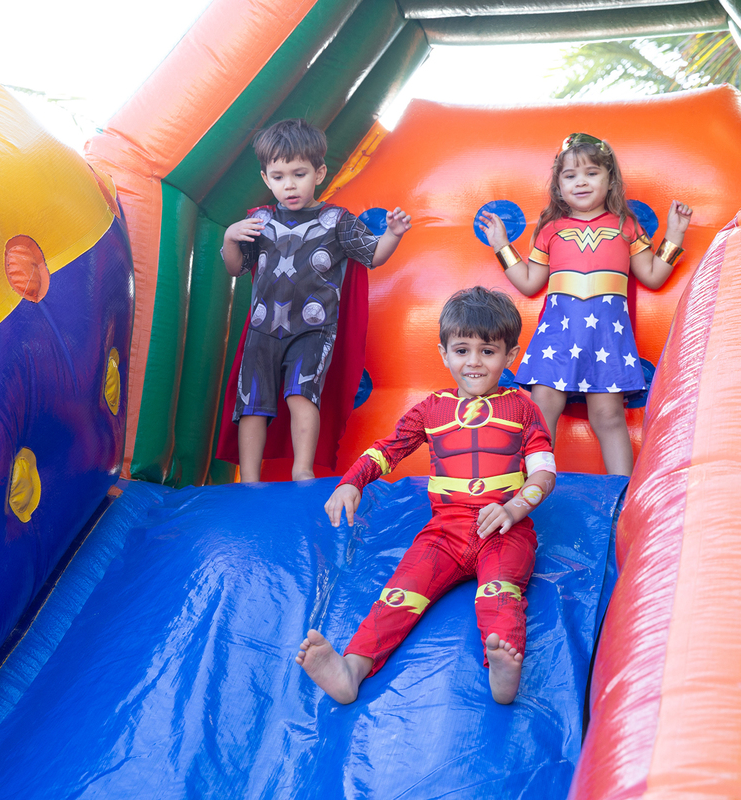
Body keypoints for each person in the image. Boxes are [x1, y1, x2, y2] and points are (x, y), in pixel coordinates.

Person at [296, 287, 557, 705]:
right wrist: (351, 481)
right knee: (400, 594)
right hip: (445, 533)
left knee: (500, 592)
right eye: (462, 350)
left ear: (510, 356)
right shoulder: (431, 410)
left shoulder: (522, 408)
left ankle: (504, 670)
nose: (474, 362)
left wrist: (513, 508)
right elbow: (388, 449)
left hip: (506, 529)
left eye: (488, 351)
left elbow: (544, 473)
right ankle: (352, 668)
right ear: (443, 353)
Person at [478, 132, 693, 476]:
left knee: (608, 416)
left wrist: (675, 235)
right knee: (542, 407)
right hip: (557, 338)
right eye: (570, 175)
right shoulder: (550, 229)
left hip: (606, 339)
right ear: (558, 186)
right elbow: (530, 283)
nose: (581, 182)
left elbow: (652, 276)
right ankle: (526, 488)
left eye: (592, 173)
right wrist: (502, 244)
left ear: (610, 181)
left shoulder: (626, 226)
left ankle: (620, 495)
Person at [221, 118, 411, 482]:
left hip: (312, 332)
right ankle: (247, 482)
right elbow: (235, 268)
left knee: (301, 395)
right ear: (265, 178)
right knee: (252, 404)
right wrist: (231, 239)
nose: (289, 184)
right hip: (262, 332)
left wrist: (393, 234)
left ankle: (303, 472)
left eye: (299, 173)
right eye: (278, 176)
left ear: (319, 172)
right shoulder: (258, 222)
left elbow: (373, 255)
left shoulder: (337, 221)